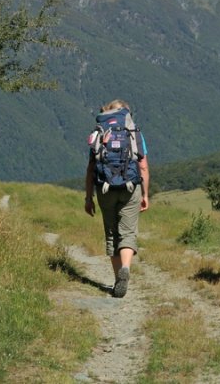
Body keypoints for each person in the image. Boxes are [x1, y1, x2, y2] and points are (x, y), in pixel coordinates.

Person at [84, 99, 150, 298]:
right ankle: (126, 269)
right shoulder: (133, 132)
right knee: (128, 232)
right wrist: (145, 194)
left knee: (112, 233)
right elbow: (143, 166)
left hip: (104, 188)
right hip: (131, 187)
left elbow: (90, 169)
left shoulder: (99, 132)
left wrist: (89, 197)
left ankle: (116, 280)